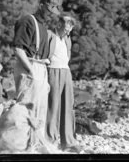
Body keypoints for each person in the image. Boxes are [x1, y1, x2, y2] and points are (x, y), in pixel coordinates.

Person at [12, 0, 61, 147]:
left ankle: (33, 144)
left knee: (40, 110)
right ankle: (19, 145)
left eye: (53, 12)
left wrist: (42, 74)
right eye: (49, 10)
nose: (51, 14)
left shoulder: (44, 27)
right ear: (41, 6)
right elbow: (18, 49)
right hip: (29, 66)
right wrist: (31, 72)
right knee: (25, 108)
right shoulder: (27, 21)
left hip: (40, 68)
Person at [45, 13, 81, 153]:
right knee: (52, 106)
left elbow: (68, 54)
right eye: (66, 28)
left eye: (70, 29)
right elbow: (41, 53)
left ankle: (69, 142)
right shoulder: (49, 34)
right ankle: (50, 140)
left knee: (68, 106)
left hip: (66, 72)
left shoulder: (67, 38)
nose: (68, 31)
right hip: (52, 71)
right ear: (59, 24)